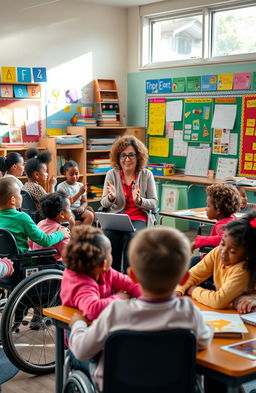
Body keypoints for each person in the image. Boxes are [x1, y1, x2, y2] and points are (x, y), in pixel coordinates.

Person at [68, 226, 212, 392]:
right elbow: (204, 341)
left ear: (133, 276)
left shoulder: (115, 312)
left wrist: (79, 326)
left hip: (117, 387)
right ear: (184, 278)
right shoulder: (189, 312)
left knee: (72, 353)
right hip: (171, 387)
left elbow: (82, 351)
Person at [176, 211, 256, 309]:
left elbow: (218, 301)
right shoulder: (218, 251)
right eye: (222, 243)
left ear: (248, 254)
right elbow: (193, 274)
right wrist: (179, 289)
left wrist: (193, 290)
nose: (223, 252)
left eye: (232, 251)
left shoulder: (243, 270)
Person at [100, 135, 158, 272]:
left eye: (131, 155)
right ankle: (112, 278)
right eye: (123, 155)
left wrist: (139, 200)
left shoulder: (146, 175)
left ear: (138, 157)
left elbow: (154, 203)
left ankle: (128, 281)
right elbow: (103, 202)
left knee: (132, 237)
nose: (127, 159)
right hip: (117, 218)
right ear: (118, 158)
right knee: (108, 236)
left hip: (138, 217)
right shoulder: (111, 174)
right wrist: (111, 198)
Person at [60, 225, 141, 321]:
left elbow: (131, 283)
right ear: (103, 263)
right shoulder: (80, 283)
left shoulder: (105, 272)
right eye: (110, 253)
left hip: (98, 325)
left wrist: (150, 298)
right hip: (80, 330)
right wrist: (121, 297)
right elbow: (94, 310)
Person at [0, 177, 69, 257]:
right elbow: (45, 241)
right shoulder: (22, 218)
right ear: (13, 200)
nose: (21, 196)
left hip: (3, 266)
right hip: (22, 263)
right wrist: (61, 233)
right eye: (19, 193)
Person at [191, 183, 241, 258]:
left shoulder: (222, 225)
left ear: (218, 210)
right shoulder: (232, 218)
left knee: (190, 263)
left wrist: (199, 241)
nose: (206, 208)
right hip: (218, 257)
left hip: (216, 260)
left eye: (208, 206)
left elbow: (226, 238)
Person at [29, 191, 75, 262]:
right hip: (56, 266)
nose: (71, 211)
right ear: (62, 214)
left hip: (37, 262)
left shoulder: (40, 224)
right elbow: (68, 256)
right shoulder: (62, 231)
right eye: (69, 208)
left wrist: (72, 225)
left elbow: (30, 242)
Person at [57, 160, 94, 225]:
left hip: (78, 209)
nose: (74, 176)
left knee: (90, 215)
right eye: (71, 174)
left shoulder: (81, 185)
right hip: (67, 210)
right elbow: (68, 202)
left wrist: (82, 207)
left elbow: (85, 201)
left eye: (76, 174)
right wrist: (80, 193)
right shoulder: (61, 186)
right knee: (71, 218)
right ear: (65, 174)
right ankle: (73, 234)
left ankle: (82, 233)